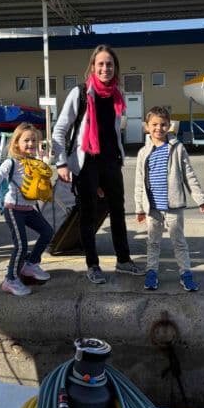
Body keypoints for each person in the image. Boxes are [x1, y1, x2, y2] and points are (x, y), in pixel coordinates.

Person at [52, 44, 142, 284]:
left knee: (118, 212)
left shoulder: (116, 95)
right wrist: (61, 162)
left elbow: (112, 132)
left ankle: (124, 260)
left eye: (109, 64)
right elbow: (60, 129)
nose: (105, 68)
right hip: (87, 162)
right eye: (100, 64)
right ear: (92, 66)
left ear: (115, 68)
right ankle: (93, 265)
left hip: (111, 161)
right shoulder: (80, 93)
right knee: (88, 215)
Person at [134, 106, 204, 292]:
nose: (158, 128)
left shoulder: (177, 149)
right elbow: (139, 183)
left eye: (163, 125)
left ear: (169, 126)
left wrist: (201, 200)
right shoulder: (143, 153)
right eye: (154, 124)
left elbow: (189, 175)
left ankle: (185, 273)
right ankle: (151, 272)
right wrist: (139, 208)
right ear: (147, 126)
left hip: (173, 207)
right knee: (153, 242)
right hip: (152, 209)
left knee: (179, 242)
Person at [0, 123, 54, 296]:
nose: (30, 144)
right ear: (16, 143)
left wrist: (45, 159)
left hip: (29, 208)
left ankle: (30, 265)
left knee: (47, 232)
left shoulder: (35, 162)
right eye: (26, 140)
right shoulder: (11, 162)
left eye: (34, 140)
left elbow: (44, 175)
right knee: (21, 245)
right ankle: (11, 279)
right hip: (13, 209)